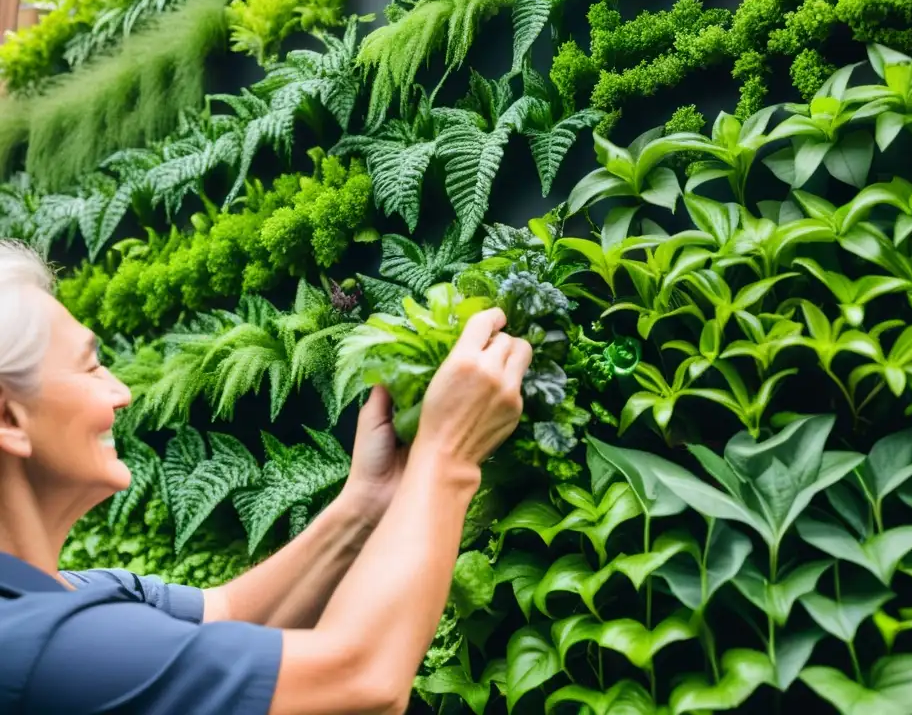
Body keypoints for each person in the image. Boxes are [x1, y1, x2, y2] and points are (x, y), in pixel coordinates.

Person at [0, 237, 533, 714]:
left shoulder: (73, 597)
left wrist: (369, 500)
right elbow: (361, 682)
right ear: (8, 417)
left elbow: (230, 616)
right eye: (91, 367)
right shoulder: (37, 648)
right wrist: (448, 455)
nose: (121, 393)